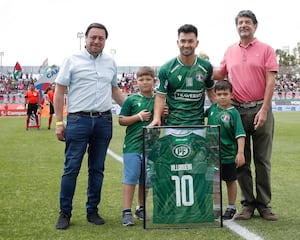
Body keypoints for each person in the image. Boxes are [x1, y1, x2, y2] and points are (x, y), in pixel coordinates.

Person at [54, 22, 126, 230]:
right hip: (78, 121)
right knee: (71, 169)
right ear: (85, 38)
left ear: (105, 40)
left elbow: (115, 91)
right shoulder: (71, 60)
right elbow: (59, 91)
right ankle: (65, 212)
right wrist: (59, 122)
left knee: (97, 169)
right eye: (92, 37)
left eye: (100, 38)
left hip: (104, 121)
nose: (96, 41)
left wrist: (135, 109)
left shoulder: (110, 62)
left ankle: (92, 210)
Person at [213, 10, 278, 221]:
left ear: (255, 26)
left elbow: (270, 81)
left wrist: (265, 109)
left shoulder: (266, 49)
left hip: (260, 108)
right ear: (236, 26)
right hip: (237, 111)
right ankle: (248, 204)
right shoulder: (230, 51)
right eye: (240, 22)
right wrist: (197, 62)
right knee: (240, 161)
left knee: (262, 161)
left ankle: (264, 204)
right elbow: (219, 74)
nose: (244, 25)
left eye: (247, 22)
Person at [149, 24, 216, 132]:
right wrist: (157, 118)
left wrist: (222, 109)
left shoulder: (206, 66)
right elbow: (160, 96)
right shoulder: (167, 68)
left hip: (197, 125)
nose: (186, 45)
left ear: (196, 43)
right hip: (172, 126)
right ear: (177, 43)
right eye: (183, 41)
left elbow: (211, 92)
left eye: (190, 41)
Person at [118, 66, 156, 226]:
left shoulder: (159, 99)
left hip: (151, 147)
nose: (145, 82)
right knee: (131, 178)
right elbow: (121, 120)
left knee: (145, 179)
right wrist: (138, 117)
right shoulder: (132, 100)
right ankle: (126, 211)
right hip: (133, 145)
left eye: (148, 79)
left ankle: (140, 207)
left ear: (154, 81)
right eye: (141, 79)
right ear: (136, 82)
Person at [205, 80, 246, 220]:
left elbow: (240, 134)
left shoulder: (234, 113)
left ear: (231, 95)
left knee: (230, 181)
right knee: (215, 182)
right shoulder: (211, 110)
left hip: (228, 155)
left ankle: (231, 207)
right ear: (215, 95)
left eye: (225, 94)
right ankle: (217, 208)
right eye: (219, 94)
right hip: (212, 155)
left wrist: (240, 153)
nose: (222, 97)